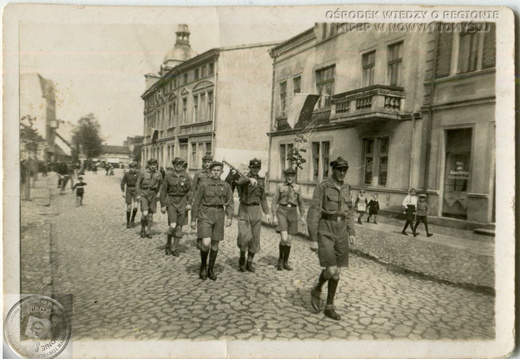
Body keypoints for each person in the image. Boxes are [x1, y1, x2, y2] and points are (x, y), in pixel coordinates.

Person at [308, 156, 356, 321]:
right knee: (331, 270)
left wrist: (352, 232)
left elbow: (349, 212)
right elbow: (314, 212)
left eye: (345, 170)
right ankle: (317, 289)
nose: (342, 173)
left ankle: (329, 306)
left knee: (337, 273)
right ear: (333, 170)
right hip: (326, 230)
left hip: (341, 231)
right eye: (339, 169)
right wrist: (313, 238)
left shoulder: (348, 188)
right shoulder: (322, 187)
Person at [191, 161, 233, 280]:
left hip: (219, 215)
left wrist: (229, 217)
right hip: (205, 213)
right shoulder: (204, 184)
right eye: (213, 170)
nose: (215, 172)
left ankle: (211, 269)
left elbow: (230, 202)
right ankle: (203, 266)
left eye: (218, 170)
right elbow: (197, 202)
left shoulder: (225, 185)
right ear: (210, 171)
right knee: (205, 243)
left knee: (215, 245)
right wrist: (193, 219)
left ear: (221, 172)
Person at [236, 158, 271, 272]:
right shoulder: (243, 177)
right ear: (249, 167)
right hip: (244, 209)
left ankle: (249, 262)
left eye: (257, 168)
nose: (255, 169)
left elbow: (263, 198)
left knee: (255, 238)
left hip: (256, 209)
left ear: (259, 168)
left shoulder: (261, 181)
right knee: (244, 236)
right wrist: (248, 180)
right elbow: (239, 183)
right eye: (253, 167)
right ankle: (242, 258)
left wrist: (267, 213)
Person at [271, 168, 305, 271]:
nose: (290, 177)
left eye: (292, 176)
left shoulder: (298, 188)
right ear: (285, 176)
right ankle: (280, 260)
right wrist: (274, 216)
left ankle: (285, 262)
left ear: (294, 177)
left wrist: (303, 216)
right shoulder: (280, 186)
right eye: (288, 176)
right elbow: (274, 201)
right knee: (284, 238)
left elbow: (301, 202)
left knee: (289, 240)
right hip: (282, 211)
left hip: (293, 212)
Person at [160, 157, 192, 257]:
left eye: (181, 164)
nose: (179, 166)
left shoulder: (186, 176)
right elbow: (163, 191)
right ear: (173, 165)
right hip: (172, 201)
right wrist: (163, 205)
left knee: (179, 227)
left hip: (182, 201)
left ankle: (175, 247)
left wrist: (189, 203)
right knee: (173, 225)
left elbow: (190, 191)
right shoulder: (168, 176)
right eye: (177, 164)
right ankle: (168, 243)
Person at [191, 154, 213, 249]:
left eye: (209, 162)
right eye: (206, 162)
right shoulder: (198, 173)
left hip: (210, 200)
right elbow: (193, 187)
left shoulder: (214, 173)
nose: (207, 164)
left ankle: (207, 237)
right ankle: (200, 239)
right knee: (200, 220)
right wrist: (191, 200)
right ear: (203, 163)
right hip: (200, 200)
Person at [136, 158, 163, 238]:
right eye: (151, 165)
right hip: (144, 193)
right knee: (145, 213)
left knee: (150, 214)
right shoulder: (143, 173)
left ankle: (148, 231)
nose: (153, 166)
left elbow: (161, 184)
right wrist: (138, 194)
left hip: (153, 194)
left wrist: (159, 193)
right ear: (148, 165)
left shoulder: (159, 174)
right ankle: (143, 228)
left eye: (154, 165)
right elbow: (138, 184)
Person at [121, 162, 140, 228]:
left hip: (136, 190)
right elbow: (122, 183)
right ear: (130, 168)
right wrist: (123, 191)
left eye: (135, 168)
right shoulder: (126, 174)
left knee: (136, 207)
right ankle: (128, 221)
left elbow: (141, 183)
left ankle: (132, 219)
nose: (133, 169)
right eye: (132, 167)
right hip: (128, 189)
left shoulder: (138, 174)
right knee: (129, 207)